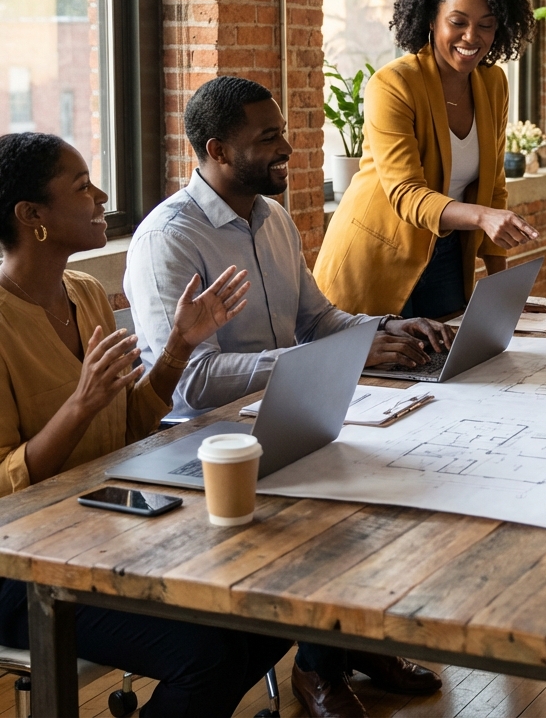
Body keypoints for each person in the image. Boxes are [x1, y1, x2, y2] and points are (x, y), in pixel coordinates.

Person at [124, 77, 444, 716]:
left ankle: (352, 642)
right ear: (216, 149)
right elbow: (189, 380)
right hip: (201, 443)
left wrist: (383, 329)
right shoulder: (170, 237)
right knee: (345, 489)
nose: (288, 148)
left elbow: (319, 320)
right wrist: (323, 360)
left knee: (400, 477)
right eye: (267, 137)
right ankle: (320, 668)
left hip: (284, 415)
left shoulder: (270, 218)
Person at [0, 132, 290, 717]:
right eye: (82, 187)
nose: (102, 196)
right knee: (207, 654)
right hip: (20, 566)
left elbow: (129, 425)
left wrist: (180, 346)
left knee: (275, 606)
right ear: (31, 216)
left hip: (98, 528)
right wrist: (78, 405)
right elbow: (7, 486)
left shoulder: (82, 293)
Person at [314, 0, 540, 319]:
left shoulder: (493, 84)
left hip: (448, 256)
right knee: (378, 374)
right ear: (431, 20)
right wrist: (482, 217)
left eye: (486, 24)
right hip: (376, 256)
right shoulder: (393, 84)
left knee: (451, 368)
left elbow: (493, 188)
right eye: (458, 22)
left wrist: (502, 291)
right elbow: (407, 194)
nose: (472, 37)